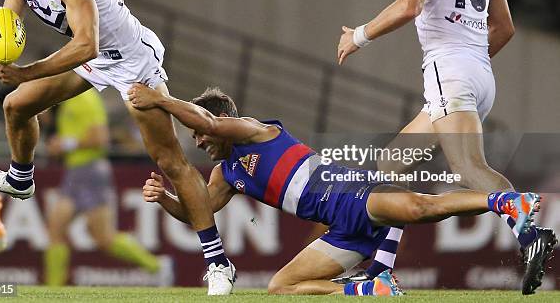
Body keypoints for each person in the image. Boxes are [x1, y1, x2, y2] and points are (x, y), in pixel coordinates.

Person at [0, 0, 233, 294]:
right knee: (16, 105)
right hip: (93, 59)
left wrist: (25, 73)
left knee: (169, 159)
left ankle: (219, 264)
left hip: (129, 60)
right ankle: (20, 179)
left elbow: (87, 45)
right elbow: (9, 21)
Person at [335, 0, 555, 294]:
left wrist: (359, 36)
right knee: (387, 169)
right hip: (478, 72)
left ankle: (529, 230)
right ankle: (380, 268)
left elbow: (409, 6)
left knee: (468, 169)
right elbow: (504, 27)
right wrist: (471, 62)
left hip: (450, 72)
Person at [130, 85, 539, 296]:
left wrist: (161, 99)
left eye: (198, 131)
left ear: (214, 118)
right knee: (280, 287)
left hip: (350, 195)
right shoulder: (226, 174)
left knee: (420, 207)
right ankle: (367, 288)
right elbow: (199, 212)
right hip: (340, 231)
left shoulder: (254, 130)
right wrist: (166, 199)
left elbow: (215, 127)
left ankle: (502, 201)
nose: (198, 142)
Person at [43, 89, 160, 286]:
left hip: (90, 171)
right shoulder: (67, 99)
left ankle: (156, 266)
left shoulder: (84, 98)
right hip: (76, 172)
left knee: (103, 237)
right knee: (56, 226)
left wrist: (66, 145)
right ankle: (52, 288)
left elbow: (100, 138)